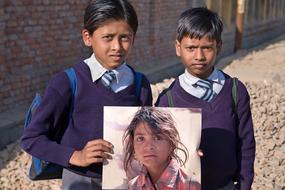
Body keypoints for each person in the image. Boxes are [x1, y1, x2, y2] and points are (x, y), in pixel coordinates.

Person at [20, 0, 152, 189]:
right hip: (80, 180)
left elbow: (146, 134)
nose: (117, 46)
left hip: (127, 180)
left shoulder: (140, 84)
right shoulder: (67, 82)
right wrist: (75, 156)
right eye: (108, 37)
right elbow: (31, 139)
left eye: (125, 37)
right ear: (87, 37)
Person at [155, 7, 255, 190]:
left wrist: (244, 185)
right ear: (178, 48)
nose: (199, 56)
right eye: (191, 48)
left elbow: (246, 144)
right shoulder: (167, 100)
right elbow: (159, 153)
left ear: (219, 46)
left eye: (207, 48)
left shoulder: (235, 91)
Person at [123, 107, 201, 190]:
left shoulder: (191, 186)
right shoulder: (133, 186)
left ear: (172, 142)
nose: (149, 146)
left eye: (157, 138)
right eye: (141, 139)